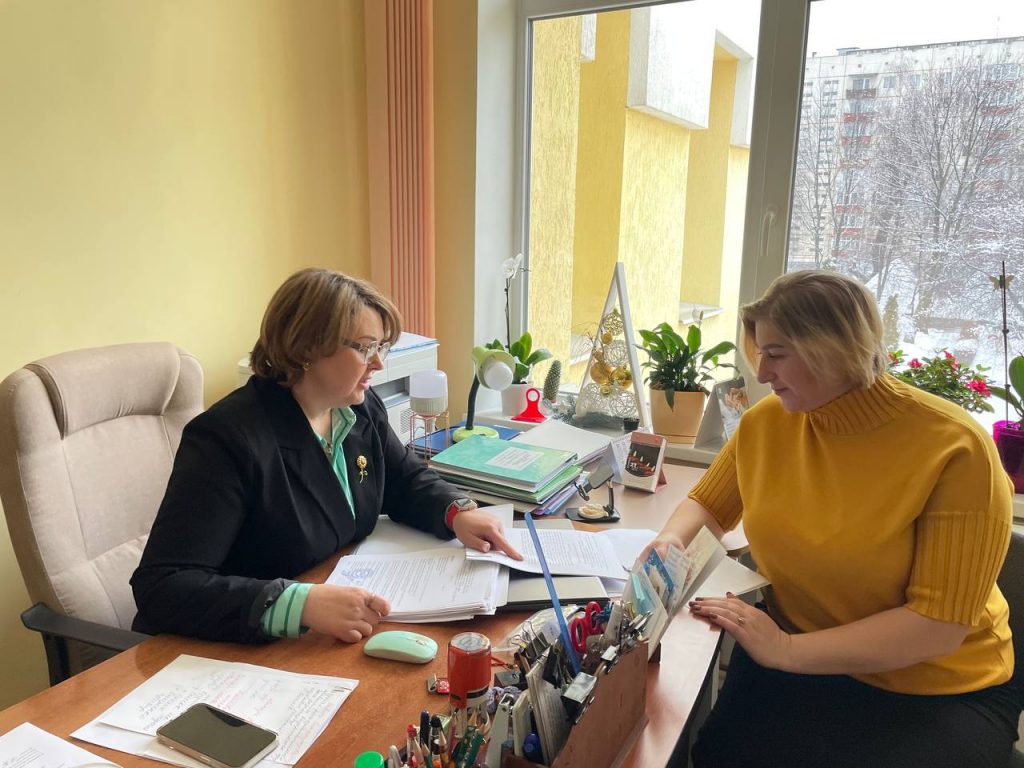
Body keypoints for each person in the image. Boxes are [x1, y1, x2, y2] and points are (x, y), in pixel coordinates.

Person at [649, 270, 1020, 767]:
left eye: (777, 354)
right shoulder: (767, 422)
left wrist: (784, 650)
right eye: (759, 352)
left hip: (938, 685)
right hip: (798, 651)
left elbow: (937, 627)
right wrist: (669, 541)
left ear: (836, 350)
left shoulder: (955, 447)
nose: (761, 372)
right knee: (710, 754)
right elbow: (710, 506)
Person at [132, 268, 520, 644]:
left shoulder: (358, 409)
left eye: (381, 347)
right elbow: (163, 586)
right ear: (308, 347)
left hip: (337, 618)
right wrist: (299, 604)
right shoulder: (227, 438)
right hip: (231, 647)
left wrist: (457, 512)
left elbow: (403, 479)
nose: (378, 363)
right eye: (365, 347)